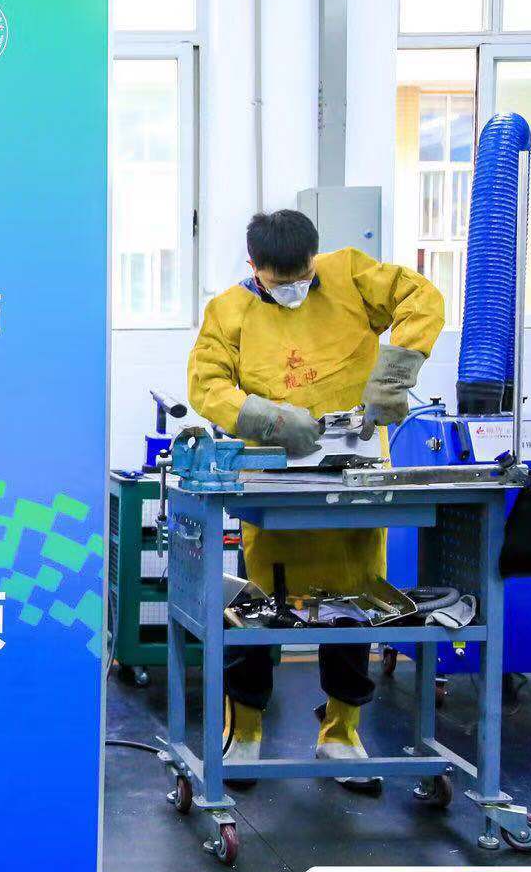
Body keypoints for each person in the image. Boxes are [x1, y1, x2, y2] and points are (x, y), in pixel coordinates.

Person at [188, 210, 443, 791]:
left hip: (356, 474)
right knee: (258, 609)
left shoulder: (351, 275)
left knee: (354, 604)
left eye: (303, 277)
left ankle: (341, 733)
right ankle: (244, 732)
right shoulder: (230, 311)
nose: (295, 289)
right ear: (253, 267)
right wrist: (269, 418)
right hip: (276, 483)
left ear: (315, 257)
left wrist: (393, 376)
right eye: (280, 283)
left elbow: (421, 298)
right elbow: (207, 384)